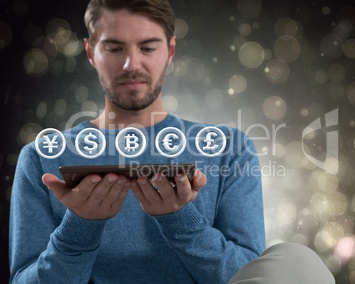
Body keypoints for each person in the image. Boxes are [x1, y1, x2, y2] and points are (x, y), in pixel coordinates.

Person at [9, 0, 335, 283]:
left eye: (148, 47)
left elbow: (250, 276)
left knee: (301, 263)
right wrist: (79, 227)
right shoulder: (41, 157)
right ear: (91, 52)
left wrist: (181, 221)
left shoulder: (229, 148)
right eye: (114, 48)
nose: (131, 64)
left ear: (171, 51)